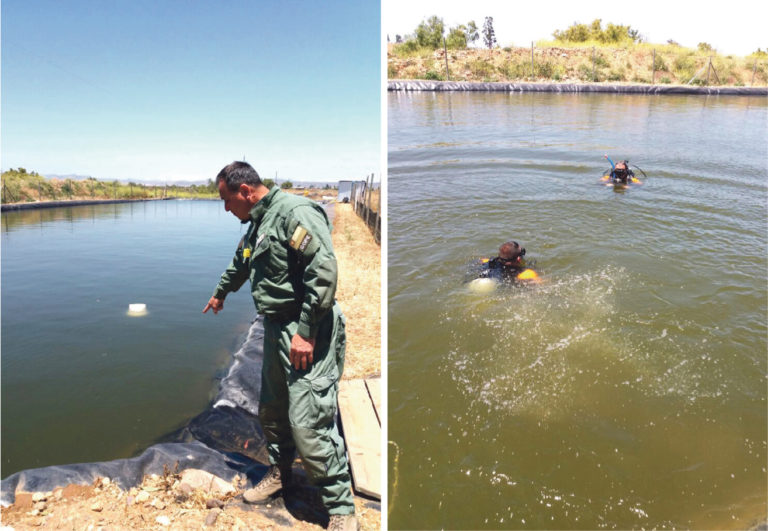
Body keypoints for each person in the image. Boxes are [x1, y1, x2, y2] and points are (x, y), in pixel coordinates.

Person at [203, 161, 358, 531]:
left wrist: (305, 332)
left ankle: (341, 509)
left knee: (309, 420)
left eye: (226, 200)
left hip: (308, 328)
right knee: (272, 410)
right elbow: (242, 260)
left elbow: (323, 271)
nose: (226, 209)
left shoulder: (295, 213)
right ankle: (280, 474)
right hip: (275, 328)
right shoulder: (257, 221)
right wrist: (221, 292)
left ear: (245, 192)